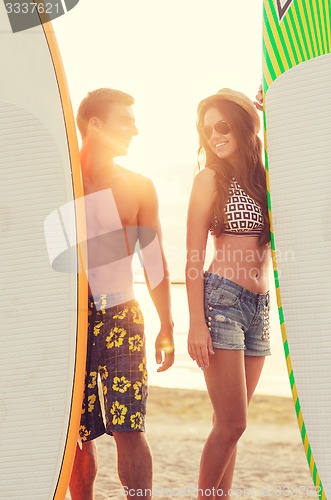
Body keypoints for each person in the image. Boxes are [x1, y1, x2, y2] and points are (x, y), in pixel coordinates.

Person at [69, 88, 174, 500]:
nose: (135, 129)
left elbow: (154, 261)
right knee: (78, 432)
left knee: (128, 425)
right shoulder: (61, 178)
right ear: (95, 124)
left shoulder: (139, 186)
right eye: (125, 121)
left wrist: (167, 324)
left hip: (121, 316)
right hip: (69, 321)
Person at [186, 88, 271, 498]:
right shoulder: (209, 179)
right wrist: (195, 325)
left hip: (259, 306)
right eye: (208, 130)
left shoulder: (264, 177)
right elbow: (192, 256)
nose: (215, 136)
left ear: (242, 125)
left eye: (222, 126)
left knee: (232, 428)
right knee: (232, 424)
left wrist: (278, 106)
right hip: (222, 301)